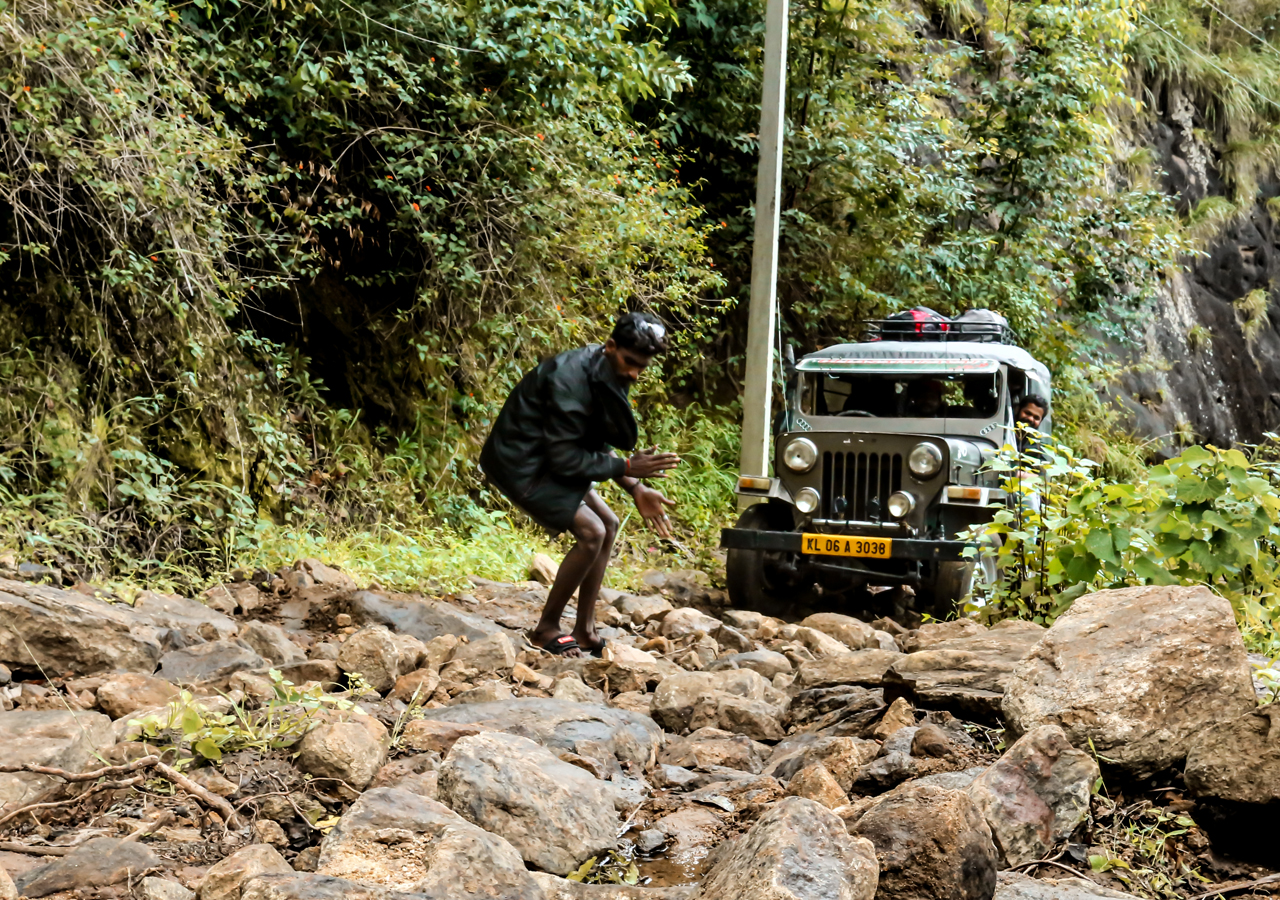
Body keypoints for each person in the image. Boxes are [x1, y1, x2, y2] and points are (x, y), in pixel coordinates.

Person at [480, 312, 681, 658]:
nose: (634, 373)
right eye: (630, 362)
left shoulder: (605, 368)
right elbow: (565, 458)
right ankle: (545, 629)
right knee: (592, 532)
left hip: (552, 454)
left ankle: (585, 630)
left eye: (641, 367)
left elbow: (590, 440)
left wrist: (635, 487)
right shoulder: (569, 378)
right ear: (610, 346)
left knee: (610, 524)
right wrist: (629, 467)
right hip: (523, 461)